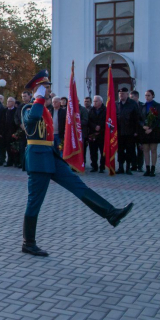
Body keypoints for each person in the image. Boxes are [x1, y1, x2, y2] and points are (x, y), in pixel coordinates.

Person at [20, 70, 133, 256]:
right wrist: (38, 98)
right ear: (37, 90)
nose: (48, 91)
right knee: (34, 202)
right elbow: (32, 120)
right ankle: (28, 243)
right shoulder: (27, 108)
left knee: (78, 185)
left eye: (47, 88)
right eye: (45, 87)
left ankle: (111, 213)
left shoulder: (45, 109)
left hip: (51, 157)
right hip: (38, 160)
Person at [139, 90, 160, 177]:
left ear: (153, 96)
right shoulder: (142, 106)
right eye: (146, 95)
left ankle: (153, 168)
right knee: (145, 150)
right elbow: (139, 118)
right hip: (145, 130)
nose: (147, 97)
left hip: (154, 130)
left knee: (153, 149)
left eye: (148, 95)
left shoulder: (157, 105)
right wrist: (143, 126)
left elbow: (159, 118)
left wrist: (151, 128)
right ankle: (147, 168)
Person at [115, 87, 139, 175]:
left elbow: (137, 118)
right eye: (120, 94)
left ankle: (128, 167)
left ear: (127, 94)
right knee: (120, 150)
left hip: (130, 132)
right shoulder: (116, 104)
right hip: (119, 132)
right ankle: (120, 167)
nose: (121, 95)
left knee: (129, 150)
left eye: (123, 94)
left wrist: (136, 131)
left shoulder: (132, 104)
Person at [88, 95, 106, 173]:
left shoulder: (105, 110)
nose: (94, 103)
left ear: (101, 102)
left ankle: (102, 166)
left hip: (102, 133)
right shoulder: (91, 110)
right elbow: (89, 121)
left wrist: (100, 126)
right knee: (93, 151)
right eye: (94, 101)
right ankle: (94, 166)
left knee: (103, 151)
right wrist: (94, 126)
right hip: (92, 133)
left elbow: (107, 121)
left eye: (96, 101)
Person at [15, 91, 32, 171]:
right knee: (22, 148)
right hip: (22, 131)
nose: (24, 98)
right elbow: (16, 117)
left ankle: (30, 164)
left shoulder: (32, 105)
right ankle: (22, 164)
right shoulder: (20, 106)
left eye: (25, 96)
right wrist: (20, 124)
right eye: (22, 96)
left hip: (31, 131)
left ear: (29, 96)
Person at [2, 97, 18, 167]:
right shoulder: (4, 111)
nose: (8, 103)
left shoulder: (16, 110)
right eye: (8, 101)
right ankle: (9, 161)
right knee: (8, 148)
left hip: (14, 132)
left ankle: (16, 161)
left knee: (15, 148)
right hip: (6, 132)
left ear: (14, 103)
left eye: (10, 101)